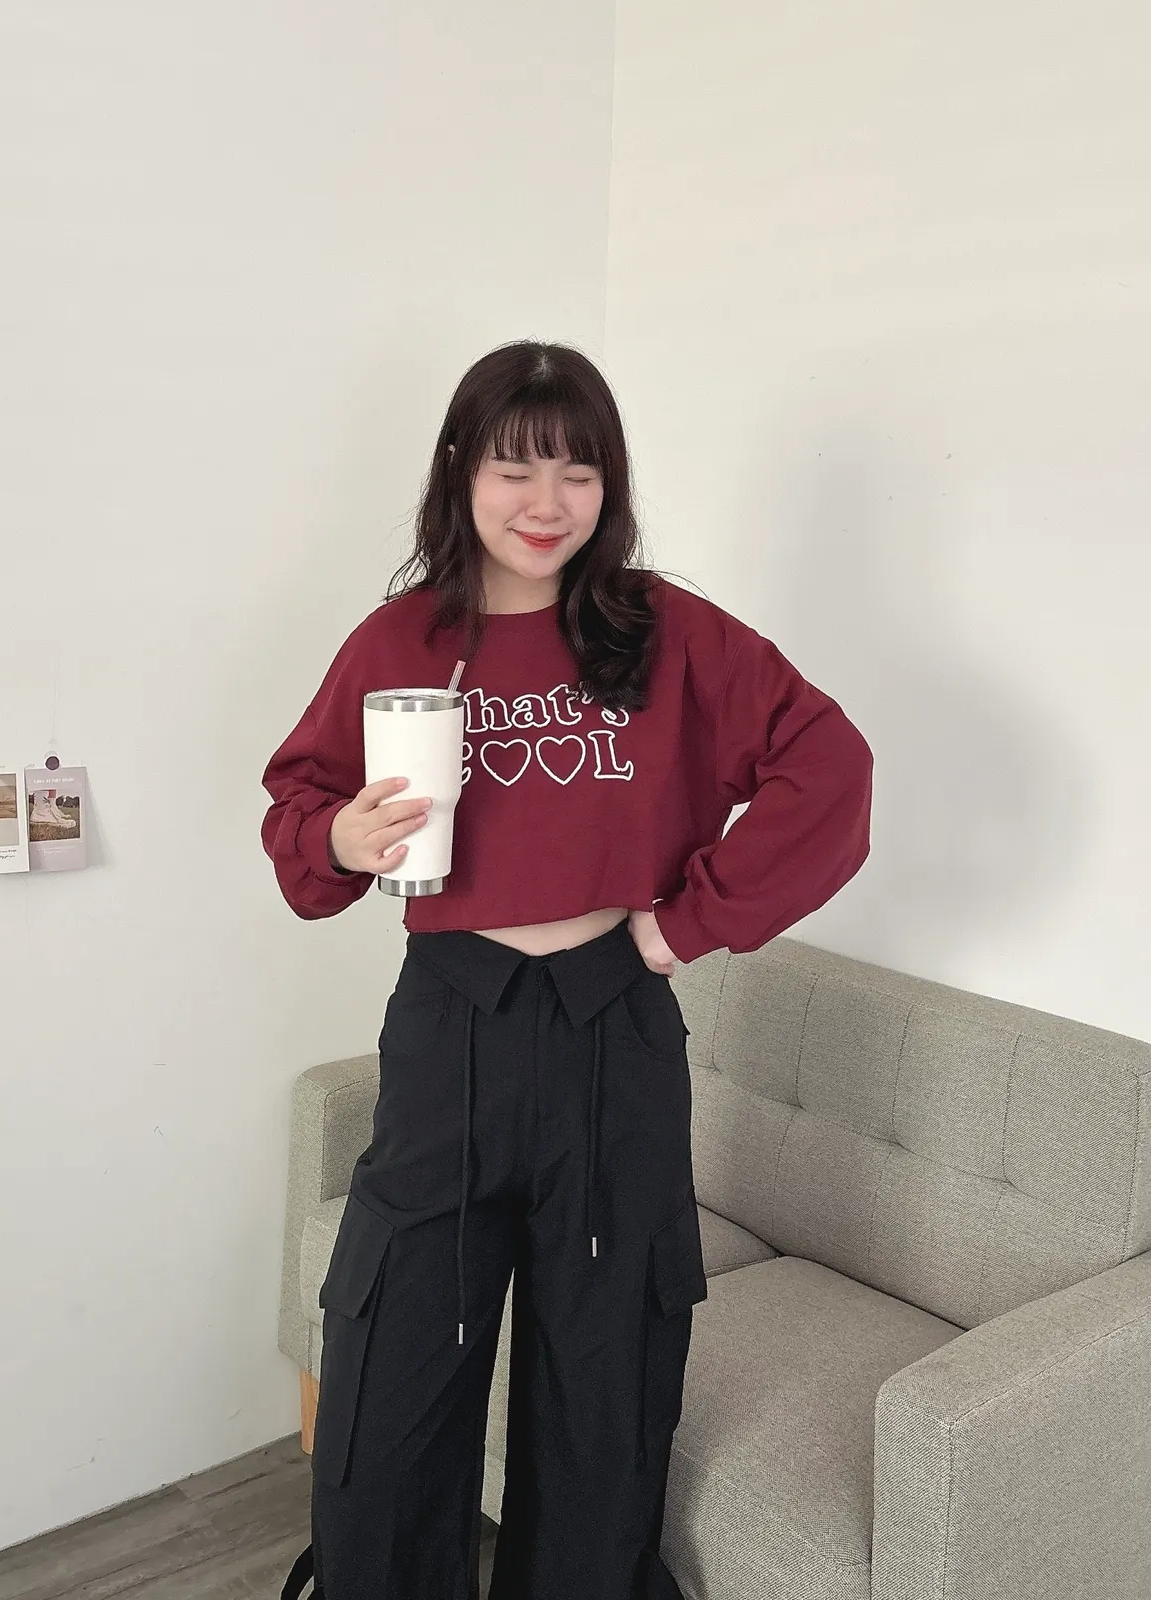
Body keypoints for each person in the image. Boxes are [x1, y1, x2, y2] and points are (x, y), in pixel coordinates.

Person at [261, 340, 874, 1600]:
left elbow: (830, 766)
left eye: (579, 472)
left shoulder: (665, 632)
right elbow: (300, 810)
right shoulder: (401, 638)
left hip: (612, 1023)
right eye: (515, 468)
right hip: (452, 1021)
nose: (548, 504)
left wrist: (680, 928)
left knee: (607, 1370)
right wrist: (338, 839)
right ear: (459, 471)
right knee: (395, 1355)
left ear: (611, 485)